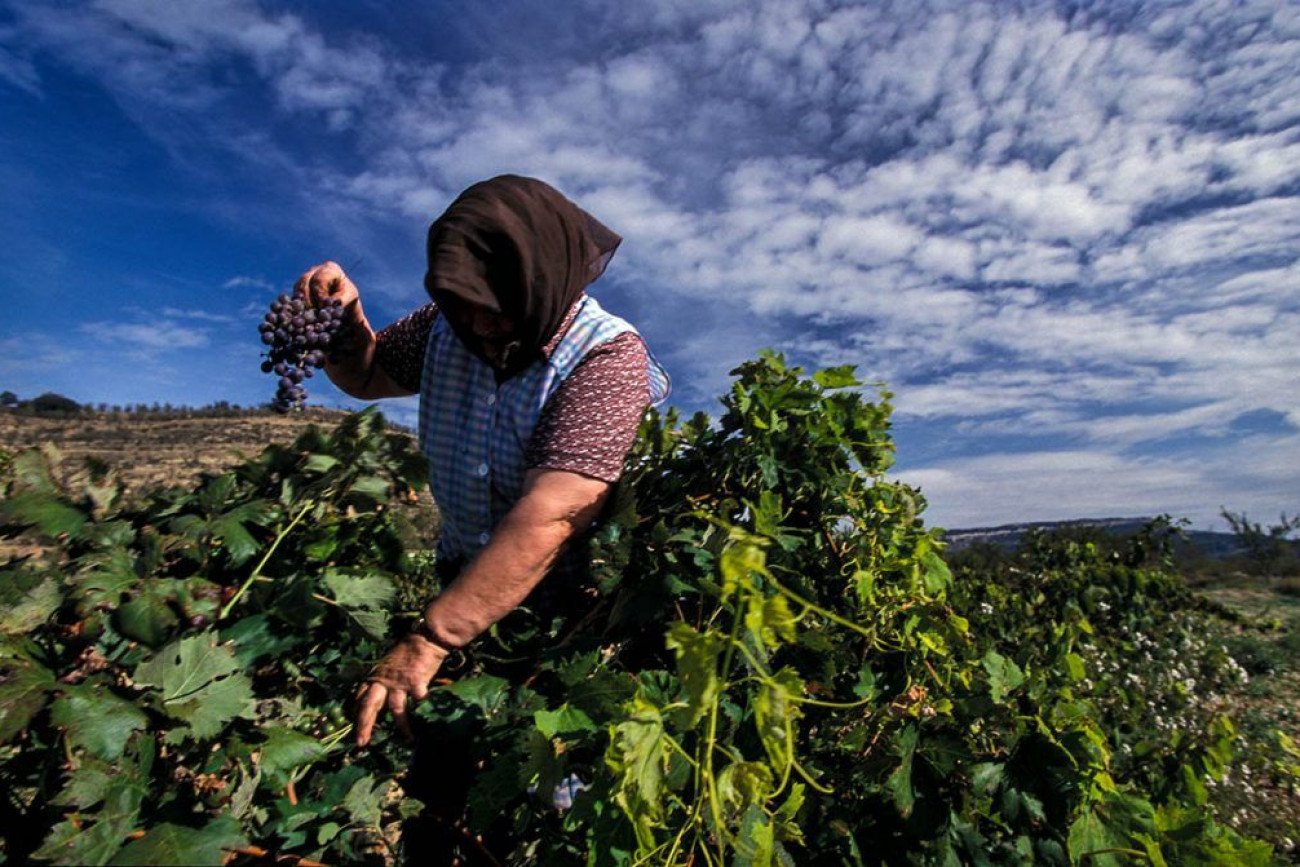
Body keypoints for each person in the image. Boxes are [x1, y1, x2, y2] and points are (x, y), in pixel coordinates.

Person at [293, 175, 670, 748]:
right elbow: (366, 375)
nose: (480, 325)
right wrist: (346, 314)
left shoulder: (607, 356)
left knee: (543, 755)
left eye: (496, 308)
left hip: (565, 606)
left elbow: (555, 513)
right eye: (465, 307)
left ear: (543, 281)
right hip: (465, 576)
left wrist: (431, 640)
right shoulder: (446, 326)